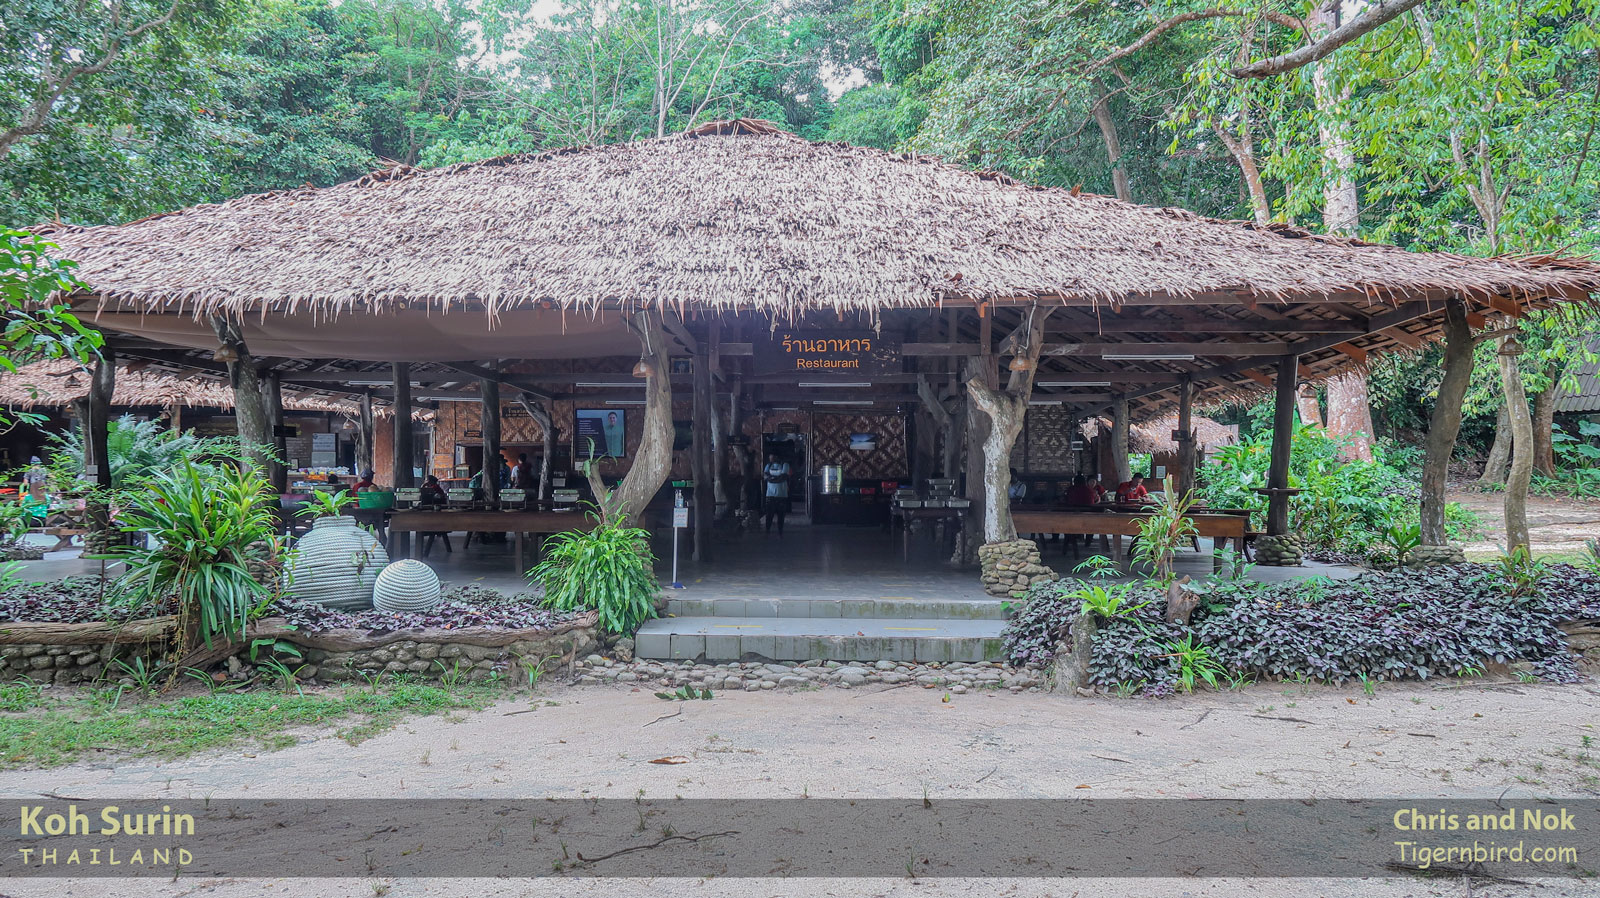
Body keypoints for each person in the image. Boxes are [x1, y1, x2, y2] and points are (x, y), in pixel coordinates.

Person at [762, 453, 791, 535]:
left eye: (772, 457)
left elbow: (783, 477)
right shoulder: (768, 465)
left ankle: (780, 532)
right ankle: (767, 531)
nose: (770, 459)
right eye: (770, 457)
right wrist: (776, 478)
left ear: (777, 457)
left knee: (781, 515)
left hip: (782, 495)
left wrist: (771, 478)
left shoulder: (785, 465)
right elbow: (765, 476)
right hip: (770, 494)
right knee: (769, 515)